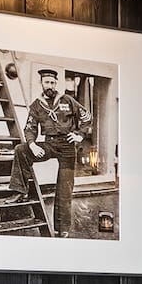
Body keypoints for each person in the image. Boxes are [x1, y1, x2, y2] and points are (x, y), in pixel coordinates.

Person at [23, 68, 94, 236]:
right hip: (49, 144)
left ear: (56, 84)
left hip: (67, 147)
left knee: (65, 189)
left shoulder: (67, 100)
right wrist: (32, 144)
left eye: (52, 83)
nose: (50, 85)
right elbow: (30, 128)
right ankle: (20, 191)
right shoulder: (36, 105)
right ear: (41, 83)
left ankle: (62, 229)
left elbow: (87, 116)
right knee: (21, 150)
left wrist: (79, 135)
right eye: (46, 82)